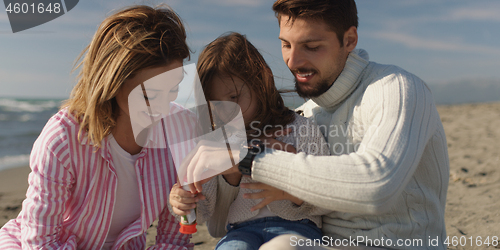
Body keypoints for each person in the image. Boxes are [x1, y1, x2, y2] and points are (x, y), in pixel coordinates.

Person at [181, 0, 450, 249]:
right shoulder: (305, 112)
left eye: (311, 46)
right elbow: (219, 226)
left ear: (349, 40)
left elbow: (377, 184)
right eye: (286, 44)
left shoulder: (396, 88)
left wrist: (250, 157)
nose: (293, 61)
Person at [0, 5, 195, 249]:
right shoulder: (63, 138)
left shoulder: (178, 130)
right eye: (149, 96)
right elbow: (40, 243)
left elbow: (175, 239)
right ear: (113, 82)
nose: (164, 109)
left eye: (173, 90)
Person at [168, 32, 332, 250]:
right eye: (215, 103)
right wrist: (182, 200)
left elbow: (328, 192)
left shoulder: (300, 128)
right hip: (240, 230)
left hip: (297, 226)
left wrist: (288, 193)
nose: (228, 111)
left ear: (261, 83)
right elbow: (202, 210)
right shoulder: (215, 144)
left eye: (234, 97)